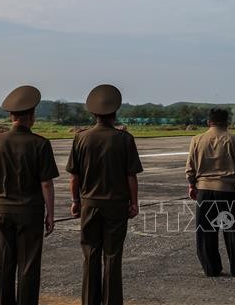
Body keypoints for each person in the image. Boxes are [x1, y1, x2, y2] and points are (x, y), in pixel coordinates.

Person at [0, 85, 59, 305]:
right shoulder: (40, 144)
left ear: (12, 116)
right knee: (28, 267)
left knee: (3, 265)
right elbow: (46, 184)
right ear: (31, 116)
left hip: (1, 210)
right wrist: (50, 214)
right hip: (29, 212)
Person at [66, 84, 143, 305]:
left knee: (90, 255)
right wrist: (134, 203)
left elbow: (74, 177)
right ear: (115, 113)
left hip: (89, 203)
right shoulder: (124, 139)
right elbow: (131, 177)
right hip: (116, 204)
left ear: (93, 113)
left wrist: (75, 201)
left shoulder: (81, 138)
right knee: (112, 256)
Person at [185, 108, 235, 277]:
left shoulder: (196, 139)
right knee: (234, 232)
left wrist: (191, 185)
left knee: (206, 233)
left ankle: (211, 268)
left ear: (209, 122)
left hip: (204, 191)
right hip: (229, 192)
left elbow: (190, 167)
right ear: (227, 123)